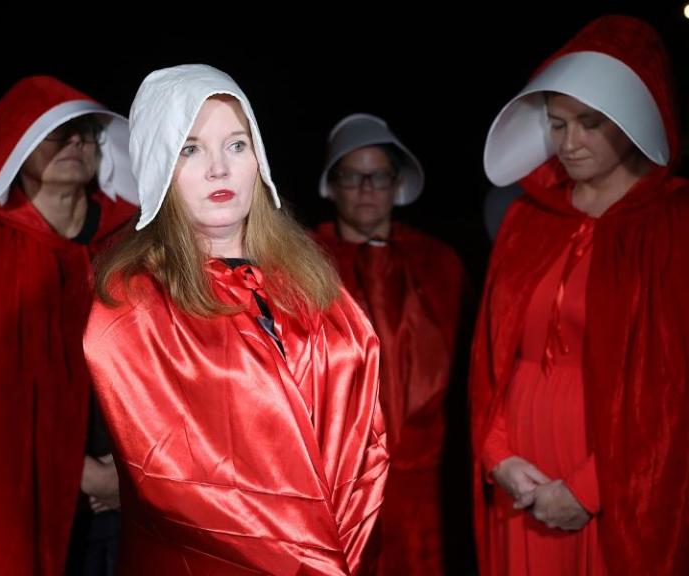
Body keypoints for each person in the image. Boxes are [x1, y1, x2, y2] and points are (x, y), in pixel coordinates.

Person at [84, 64, 389, 575]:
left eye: (236, 144)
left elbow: (365, 445)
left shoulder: (312, 280)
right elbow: (178, 483)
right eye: (190, 149)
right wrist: (317, 567)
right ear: (159, 165)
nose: (219, 169)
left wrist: (346, 559)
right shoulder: (131, 302)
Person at [471, 15, 689, 575]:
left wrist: (592, 489)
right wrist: (497, 455)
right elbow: (492, 354)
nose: (568, 144)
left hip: (611, 463)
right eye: (557, 122)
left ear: (634, 120)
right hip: (521, 461)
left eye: (590, 123)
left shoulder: (671, 225)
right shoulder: (529, 220)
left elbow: (675, 389)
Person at [0, 75, 138, 576]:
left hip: (135, 494)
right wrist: (84, 474)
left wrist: (129, 474)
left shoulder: (133, 242)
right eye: (57, 132)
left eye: (85, 131)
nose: (75, 141)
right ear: (18, 146)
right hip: (33, 492)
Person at [312, 114, 468, 575]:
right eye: (352, 175)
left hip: (424, 483)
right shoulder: (304, 263)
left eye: (378, 176)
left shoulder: (438, 264)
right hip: (334, 481)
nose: (365, 188)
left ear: (396, 183)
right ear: (332, 183)